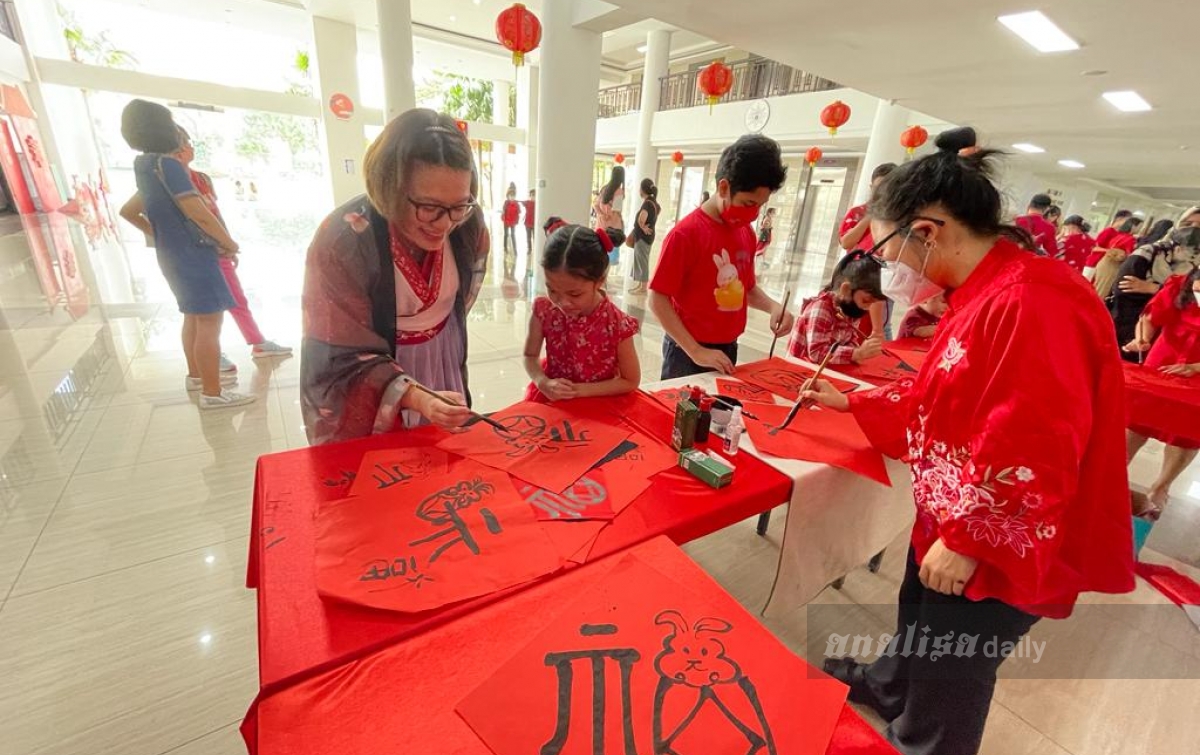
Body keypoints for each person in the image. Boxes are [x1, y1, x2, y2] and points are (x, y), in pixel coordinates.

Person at [803, 127, 1133, 755]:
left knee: (954, 661)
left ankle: (928, 740)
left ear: (927, 231)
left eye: (890, 253)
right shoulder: (983, 291)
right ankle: (890, 688)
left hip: (1002, 526)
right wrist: (855, 400)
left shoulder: (1033, 303)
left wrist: (967, 538)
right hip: (957, 507)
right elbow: (945, 396)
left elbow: (1038, 441)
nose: (889, 270)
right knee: (919, 614)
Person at [300, 108, 489, 444]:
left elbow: (458, 307)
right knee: (388, 472)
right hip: (376, 376)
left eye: (458, 206)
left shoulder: (469, 224)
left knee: (446, 461)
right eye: (429, 207)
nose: (445, 224)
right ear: (390, 187)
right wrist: (415, 395)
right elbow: (336, 355)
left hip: (441, 355)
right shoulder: (343, 240)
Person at [116, 100, 253, 410]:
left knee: (192, 315)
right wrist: (227, 242)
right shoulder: (170, 166)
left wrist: (161, 235)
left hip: (171, 256)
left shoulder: (145, 166)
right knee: (210, 323)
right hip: (194, 255)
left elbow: (129, 211)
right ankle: (213, 392)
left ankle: (196, 377)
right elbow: (196, 210)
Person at [649, 134, 794, 379]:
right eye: (748, 203)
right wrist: (695, 350)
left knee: (721, 415)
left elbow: (746, 288)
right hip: (687, 350)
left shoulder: (744, 232)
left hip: (728, 347)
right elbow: (657, 299)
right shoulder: (686, 234)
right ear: (724, 187)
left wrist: (773, 307)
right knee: (683, 416)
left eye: (760, 205)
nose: (753, 214)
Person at [171, 127, 291, 364]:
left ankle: (256, 342)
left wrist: (227, 244)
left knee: (234, 299)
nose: (190, 148)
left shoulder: (201, 179)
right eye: (185, 143)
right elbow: (195, 218)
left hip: (218, 250)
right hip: (196, 254)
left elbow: (214, 215)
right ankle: (209, 359)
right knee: (202, 313)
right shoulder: (171, 182)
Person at [523, 225, 641, 402]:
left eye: (574, 294)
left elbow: (630, 380)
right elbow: (530, 356)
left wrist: (578, 391)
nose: (562, 303)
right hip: (553, 398)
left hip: (599, 403)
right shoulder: (544, 311)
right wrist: (542, 382)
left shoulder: (616, 323)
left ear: (599, 281)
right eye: (552, 290)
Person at [1124, 265, 1200, 518]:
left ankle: (1161, 487)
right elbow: (1149, 318)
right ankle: (1112, 473)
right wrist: (1142, 338)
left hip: (1197, 371)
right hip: (1164, 360)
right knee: (1136, 420)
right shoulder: (1179, 284)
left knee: (1187, 431)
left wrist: (1194, 367)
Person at [1110, 207, 1200, 362]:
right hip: (1132, 321)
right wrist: (1166, 294)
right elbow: (1124, 287)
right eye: (1187, 223)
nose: (1193, 230)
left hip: (1175, 340)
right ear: (1177, 225)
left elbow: (1190, 300)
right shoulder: (1150, 252)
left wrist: (1153, 288)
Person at [787, 250, 885, 365]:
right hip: (800, 368)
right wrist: (856, 353)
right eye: (866, 301)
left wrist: (858, 351)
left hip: (825, 367)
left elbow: (850, 339)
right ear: (846, 289)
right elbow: (817, 353)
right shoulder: (822, 309)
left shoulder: (851, 307)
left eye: (872, 303)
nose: (868, 308)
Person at [841, 162, 898, 338]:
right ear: (871, 187)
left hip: (884, 284)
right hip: (855, 281)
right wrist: (871, 216)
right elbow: (846, 242)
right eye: (877, 189)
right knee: (850, 327)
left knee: (879, 328)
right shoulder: (858, 212)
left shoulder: (898, 218)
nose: (882, 194)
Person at [1090, 216, 1146, 296]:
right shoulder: (1130, 239)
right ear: (1133, 226)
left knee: (1097, 288)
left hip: (1103, 263)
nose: (1141, 229)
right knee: (1102, 292)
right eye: (1140, 226)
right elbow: (1129, 256)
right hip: (1113, 266)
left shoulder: (1119, 236)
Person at [1084, 214, 1142, 281]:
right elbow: (1094, 248)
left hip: (1104, 263)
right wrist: (1112, 251)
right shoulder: (1109, 231)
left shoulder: (1121, 235)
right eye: (1126, 220)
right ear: (1119, 219)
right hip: (1095, 262)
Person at [628, 178, 659, 295]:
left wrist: (643, 226)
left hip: (643, 237)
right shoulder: (654, 202)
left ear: (643, 190)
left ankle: (643, 288)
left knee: (642, 261)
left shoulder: (647, 204)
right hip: (648, 237)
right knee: (642, 260)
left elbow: (641, 219)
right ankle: (641, 286)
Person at [1014, 193, 1060, 258]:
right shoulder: (1049, 227)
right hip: (1029, 263)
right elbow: (1052, 252)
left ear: (1030, 205)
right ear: (1047, 209)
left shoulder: (1016, 220)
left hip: (1010, 259)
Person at [501, 183, 520, 262]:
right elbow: (503, 212)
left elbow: (518, 213)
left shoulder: (516, 204)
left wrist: (516, 221)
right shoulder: (506, 203)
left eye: (513, 196)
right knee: (506, 234)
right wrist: (503, 219)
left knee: (513, 235)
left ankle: (515, 249)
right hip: (506, 221)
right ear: (508, 196)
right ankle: (505, 248)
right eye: (510, 196)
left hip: (512, 222)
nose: (512, 197)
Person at [521, 189, 537, 257]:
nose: (533, 197)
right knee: (528, 237)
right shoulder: (527, 202)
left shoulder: (538, 203)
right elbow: (521, 202)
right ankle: (529, 249)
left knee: (535, 237)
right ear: (530, 196)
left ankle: (535, 249)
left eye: (534, 195)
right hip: (527, 223)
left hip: (534, 223)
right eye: (531, 195)